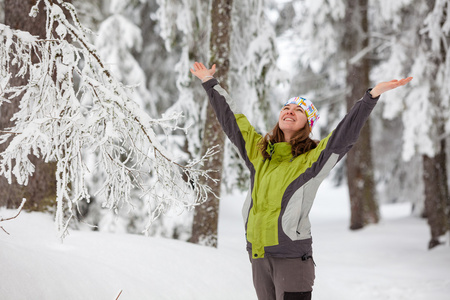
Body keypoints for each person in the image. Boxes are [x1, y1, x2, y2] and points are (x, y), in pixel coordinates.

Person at [190, 62, 412, 300]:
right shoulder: (259, 153)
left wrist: (371, 96)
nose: (290, 111)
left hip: (292, 258)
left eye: (298, 110)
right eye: (287, 107)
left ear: (308, 123)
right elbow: (232, 120)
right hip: (258, 254)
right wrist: (209, 82)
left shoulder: (312, 160)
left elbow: (343, 135)